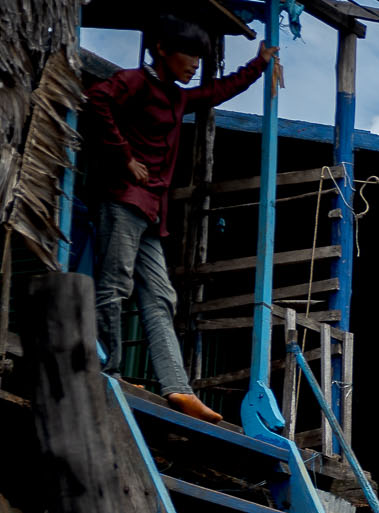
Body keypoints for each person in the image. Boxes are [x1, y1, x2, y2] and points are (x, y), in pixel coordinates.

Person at [81, 17, 276, 423]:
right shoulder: (135, 81)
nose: (194, 64)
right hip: (122, 199)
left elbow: (216, 91)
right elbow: (96, 99)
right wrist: (123, 156)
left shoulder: (175, 96)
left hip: (151, 211)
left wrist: (258, 65)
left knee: (160, 296)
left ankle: (177, 388)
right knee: (115, 284)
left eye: (198, 57)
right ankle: (109, 370)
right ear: (164, 51)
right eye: (188, 54)